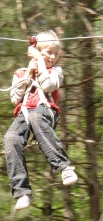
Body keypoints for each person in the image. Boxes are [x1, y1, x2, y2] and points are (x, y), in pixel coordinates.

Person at [3, 30, 78, 211]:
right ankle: (22, 192)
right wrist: (29, 72)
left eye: (56, 54)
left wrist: (41, 64)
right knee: (10, 138)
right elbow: (15, 99)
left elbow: (48, 85)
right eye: (48, 53)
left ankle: (64, 167)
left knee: (36, 115)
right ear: (37, 52)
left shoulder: (56, 71)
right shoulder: (21, 73)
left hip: (45, 112)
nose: (53, 57)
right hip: (24, 114)